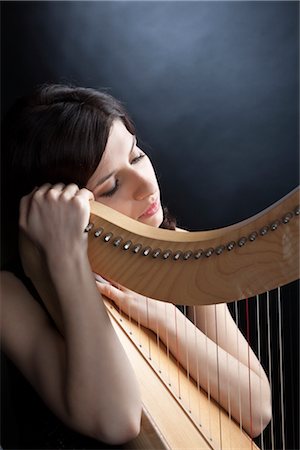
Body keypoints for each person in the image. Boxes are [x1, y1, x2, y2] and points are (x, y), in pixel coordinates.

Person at [0, 84, 272, 448]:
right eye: (111, 186)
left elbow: (256, 410)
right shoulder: (10, 293)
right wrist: (66, 260)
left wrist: (162, 317)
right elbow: (117, 420)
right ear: (65, 211)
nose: (146, 186)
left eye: (137, 155)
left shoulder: (182, 255)